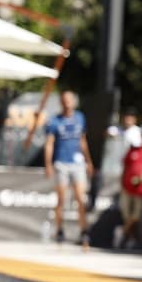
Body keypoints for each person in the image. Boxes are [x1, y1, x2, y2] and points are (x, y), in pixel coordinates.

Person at [43, 91, 94, 248]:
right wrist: (48, 164)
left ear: (74, 102)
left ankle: (84, 231)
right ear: (61, 102)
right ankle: (59, 230)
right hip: (61, 163)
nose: (67, 103)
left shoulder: (80, 118)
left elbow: (82, 141)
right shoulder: (55, 121)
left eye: (69, 100)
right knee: (61, 199)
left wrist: (89, 161)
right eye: (64, 100)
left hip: (78, 163)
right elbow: (49, 143)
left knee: (80, 198)